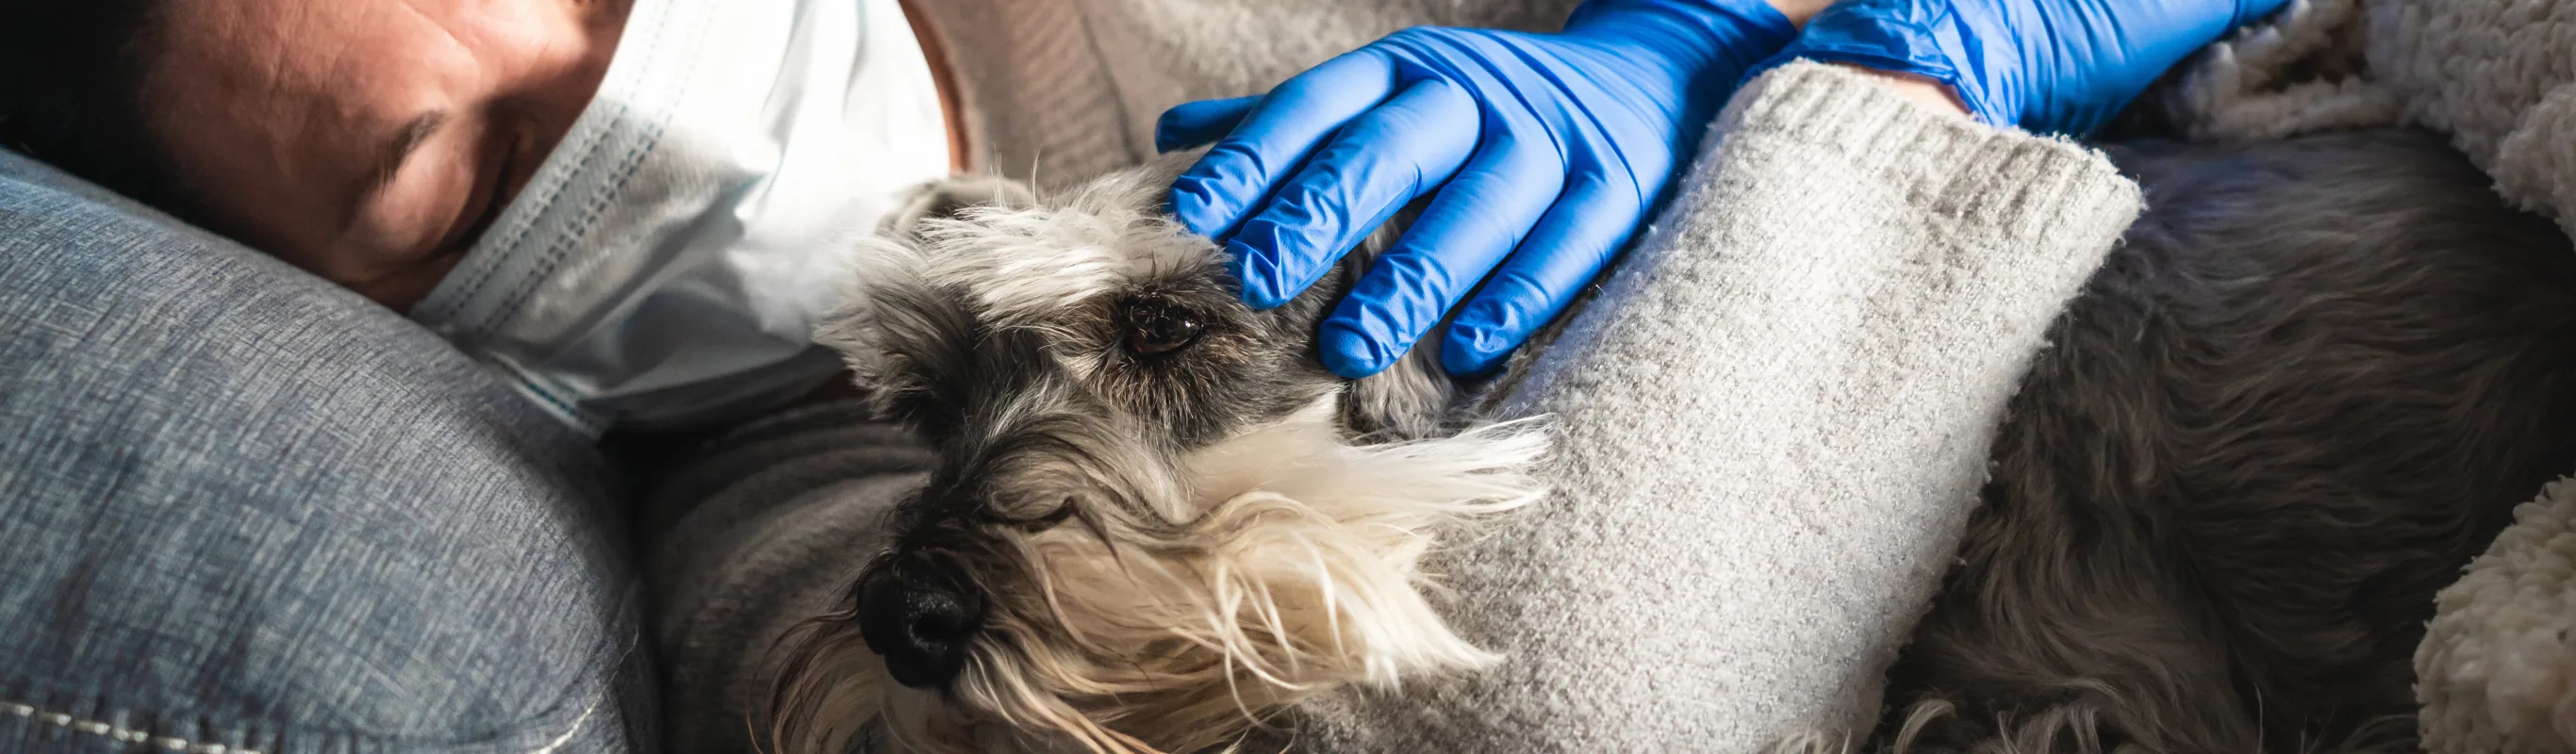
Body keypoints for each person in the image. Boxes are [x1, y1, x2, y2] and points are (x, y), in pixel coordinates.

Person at [0, 0, 2281, 752]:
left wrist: (1810, 42)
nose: (633, 93)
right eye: (458, 162)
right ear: (365, 314)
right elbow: (1575, 693)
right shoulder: (779, 515)